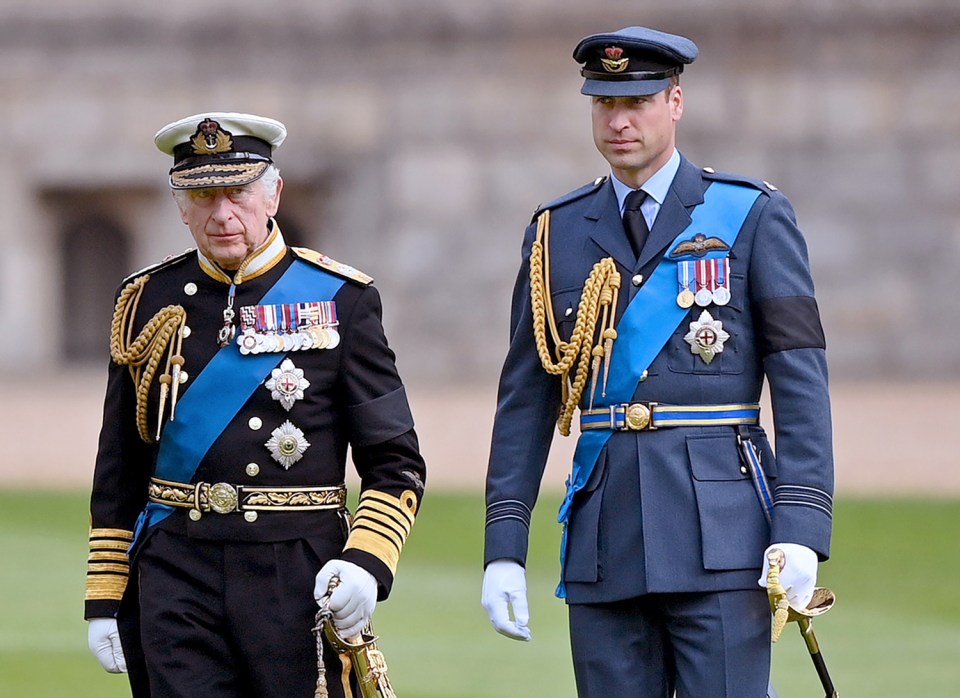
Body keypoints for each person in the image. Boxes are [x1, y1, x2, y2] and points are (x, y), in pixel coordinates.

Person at [481, 27, 833, 697]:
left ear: (676, 101)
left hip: (723, 541)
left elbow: (801, 384)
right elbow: (525, 398)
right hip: (603, 538)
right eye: (604, 103)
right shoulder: (557, 230)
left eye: (638, 100)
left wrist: (802, 528)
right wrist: (505, 544)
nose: (619, 120)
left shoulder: (752, 215)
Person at [84, 112, 426, 697]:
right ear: (180, 205)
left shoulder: (341, 298)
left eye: (238, 192)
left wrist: (368, 561)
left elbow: (396, 462)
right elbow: (120, 460)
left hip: (295, 572)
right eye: (202, 194)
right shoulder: (145, 300)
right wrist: (105, 592)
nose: (222, 214)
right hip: (174, 569)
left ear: (273, 194)